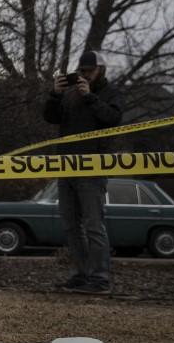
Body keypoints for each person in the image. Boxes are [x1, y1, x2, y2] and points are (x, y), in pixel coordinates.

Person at [43, 50, 123, 294]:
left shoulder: (110, 93)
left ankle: (99, 278)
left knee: (93, 224)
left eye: (88, 71)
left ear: (101, 70)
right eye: (80, 71)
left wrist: (90, 98)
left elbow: (112, 118)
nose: (84, 76)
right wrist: (55, 95)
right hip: (66, 165)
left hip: (92, 167)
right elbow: (50, 117)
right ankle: (81, 273)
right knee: (70, 225)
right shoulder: (69, 93)